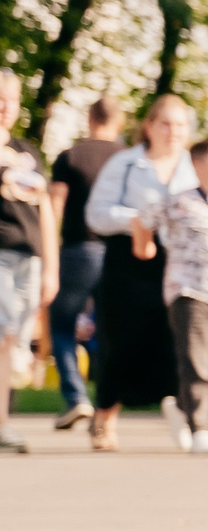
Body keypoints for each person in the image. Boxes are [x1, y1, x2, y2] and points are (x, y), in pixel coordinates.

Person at [85, 95, 198, 452]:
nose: (173, 132)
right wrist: (135, 219)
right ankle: (105, 415)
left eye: (180, 125)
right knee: (120, 340)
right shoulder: (126, 163)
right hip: (129, 260)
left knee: (175, 341)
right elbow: (96, 214)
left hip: (178, 261)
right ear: (149, 126)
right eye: (165, 123)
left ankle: (188, 419)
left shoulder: (193, 167)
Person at [134, 136, 208, 457]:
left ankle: (183, 407)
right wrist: (144, 246)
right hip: (189, 292)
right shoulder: (179, 201)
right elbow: (143, 220)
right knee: (196, 362)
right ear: (199, 166)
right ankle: (199, 429)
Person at [45, 96, 122, 432]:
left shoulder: (70, 156)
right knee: (110, 331)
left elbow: (55, 204)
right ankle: (107, 406)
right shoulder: (126, 159)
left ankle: (76, 396)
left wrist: (51, 247)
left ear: (90, 118)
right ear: (119, 120)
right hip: (117, 254)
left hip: (77, 250)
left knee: (61, 327)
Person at [0, 72, 60, 454]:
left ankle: (2, 423)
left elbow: (45, 208)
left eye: (11, 99)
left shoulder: (27, 151)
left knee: (8, 343)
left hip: (28, 259)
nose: (5, 107)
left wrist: (51, 266)